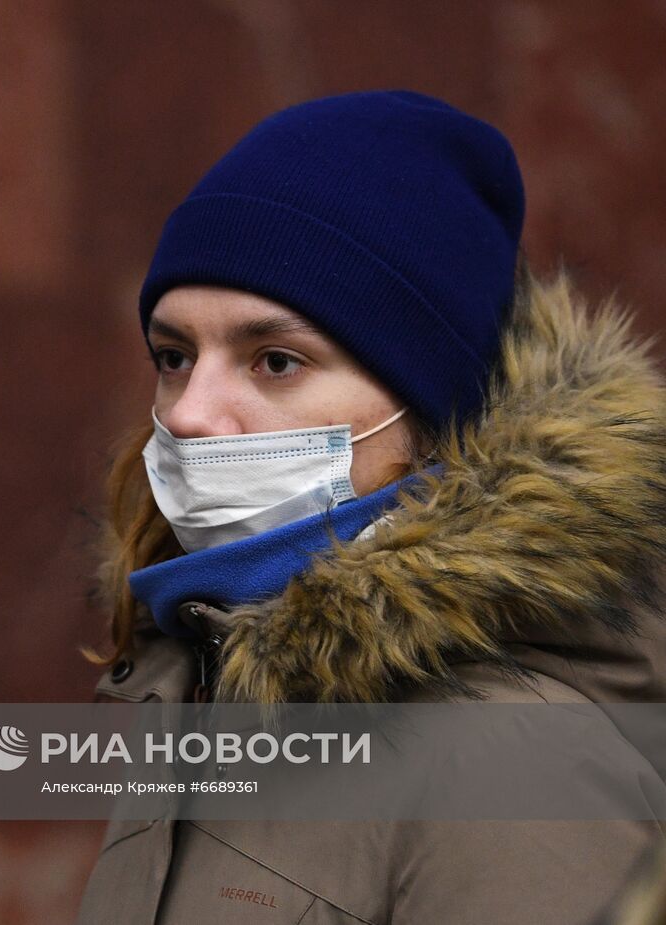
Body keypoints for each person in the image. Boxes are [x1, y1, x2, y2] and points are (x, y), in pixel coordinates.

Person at [76, 91, 666, 923]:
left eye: (274, 360)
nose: (187, 412)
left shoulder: (517, 768)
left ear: (432, 417)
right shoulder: (202, 680)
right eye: (174, 354)